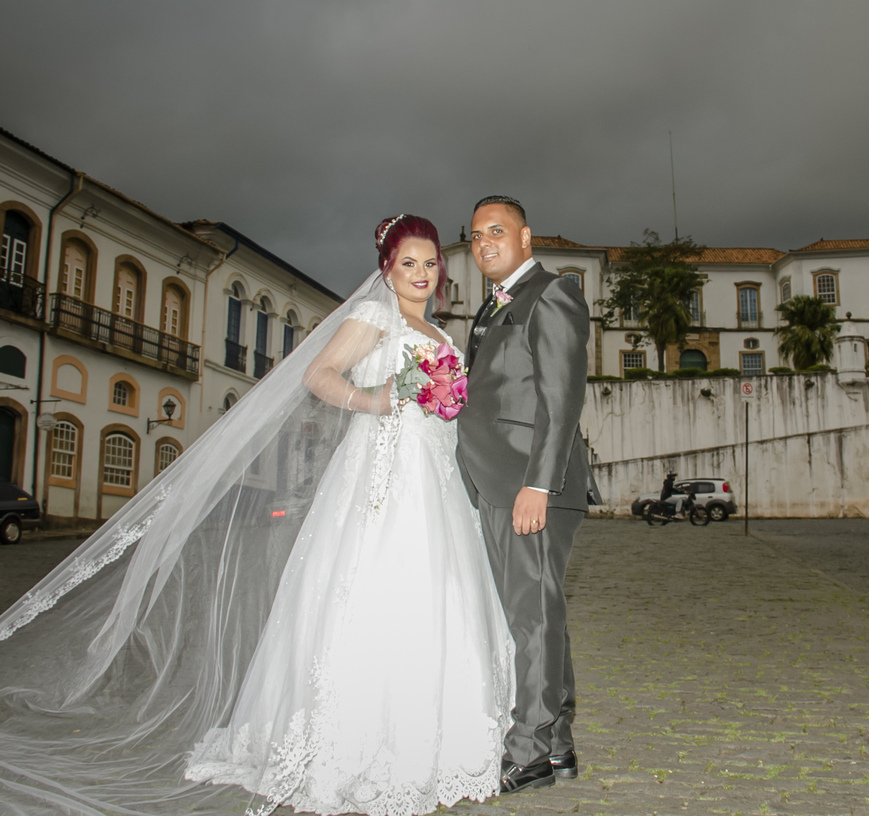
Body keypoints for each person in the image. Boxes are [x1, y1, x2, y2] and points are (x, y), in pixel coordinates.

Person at [0, 214, 514, 816]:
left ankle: (440, 735)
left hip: (437, 478)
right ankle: (353, 741)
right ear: (386, 269)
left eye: (430, 264)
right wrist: (373, 399)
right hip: (382, 474)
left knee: (438, 588)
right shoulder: (375, 318)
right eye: (409, 263)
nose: (421, 274)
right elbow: (317, 375)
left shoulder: (440, 334)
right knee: (373, 585)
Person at [456, 195, 599, 795]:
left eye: (497, 231)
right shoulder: (492, 307)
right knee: (538, 612)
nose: (485, 242)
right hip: (495, 479)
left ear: (525, 237)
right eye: (475, 236)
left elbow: (561, 398)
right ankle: (558, 745)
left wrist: (538, 484)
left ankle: (530, 750)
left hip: (530, 483)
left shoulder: (553, 293)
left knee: (532, 618)